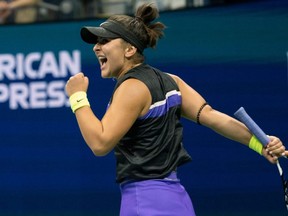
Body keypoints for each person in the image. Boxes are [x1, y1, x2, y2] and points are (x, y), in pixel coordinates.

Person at [65, 3, 286, 215]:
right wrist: (261, 143)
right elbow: (211, 116)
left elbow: (100, 143)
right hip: (176, 199)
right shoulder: (172, 82)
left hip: (144, 202)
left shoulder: (131, 87)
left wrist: (77, 97)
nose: (96, 47)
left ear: (130, 49)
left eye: (104, 41)